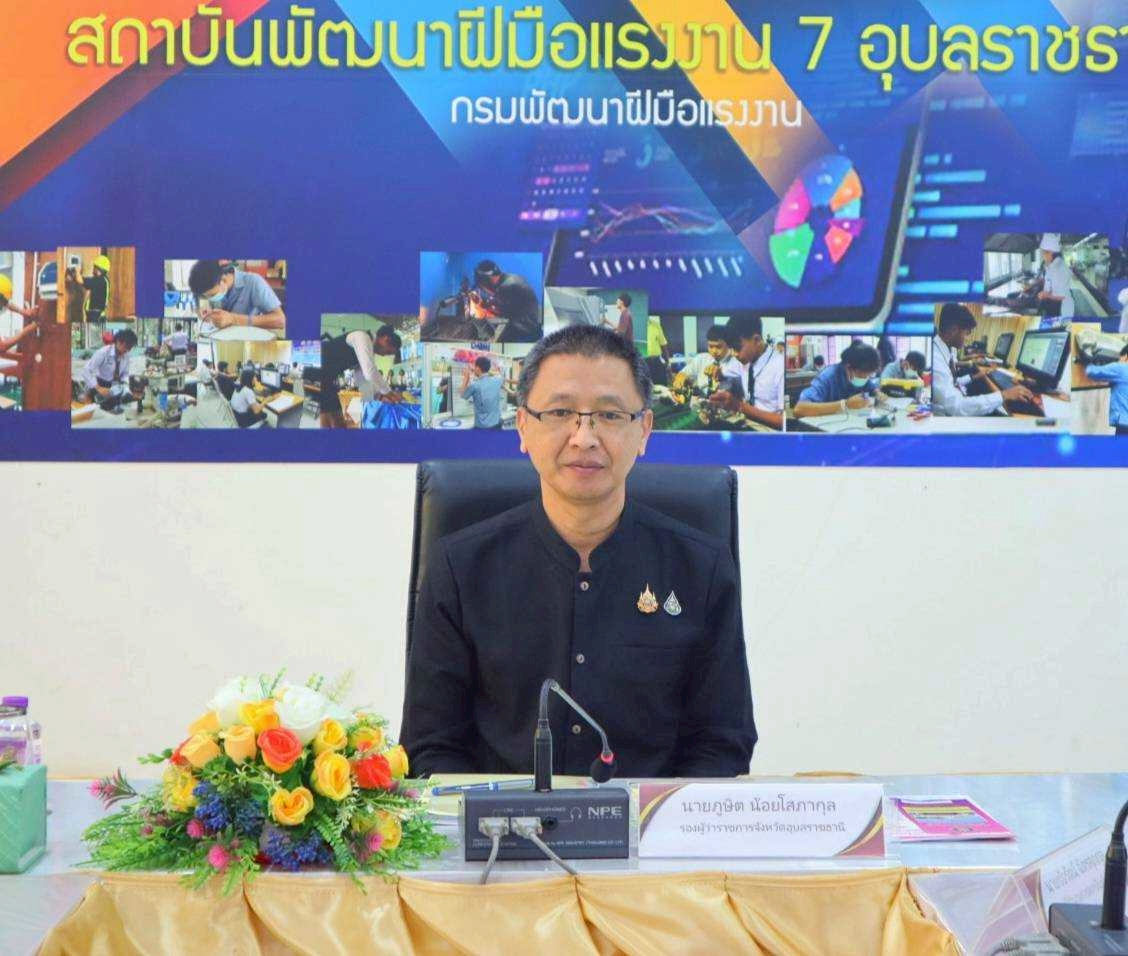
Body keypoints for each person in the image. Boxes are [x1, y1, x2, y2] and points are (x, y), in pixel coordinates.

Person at [402, 325, 756, 778]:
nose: (584, 437)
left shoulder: (701, 570)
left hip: (649, 821)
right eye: (560, 412)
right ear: (523, 427)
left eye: (609, 415)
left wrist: (654, 817)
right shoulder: (459, 568)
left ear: (644, 430)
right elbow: (430, 747)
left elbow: (722, 744)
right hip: (498, 821)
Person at [932, 304, 1034, 416]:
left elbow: (953, 382)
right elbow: (958, 407)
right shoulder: (935, 360)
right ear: (953, 330)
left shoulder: (946, 349)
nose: (968, 338)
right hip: (949, 416)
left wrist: (975, 376)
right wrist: (1004, 395)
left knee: (983, 388)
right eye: (967, 333)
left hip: (955, 402)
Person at [318, 324, 403, 429]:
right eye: (388, 352)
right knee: (327, 416)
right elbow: (370, 372)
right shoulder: (362, 337)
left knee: (338, 418)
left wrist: (380, 397)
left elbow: (361, 380)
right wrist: (389, 393)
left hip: (330, 376)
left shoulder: (367, 350)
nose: (384, 355)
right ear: (385, 339)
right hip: (320, 369)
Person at [707, 315, 785, 429]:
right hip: (748, 424)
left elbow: (784, 422)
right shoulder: (743, 360)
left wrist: (739, 406)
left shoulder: (779, 367)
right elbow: (722, 372)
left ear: (756, 340)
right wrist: (716, 371)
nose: (734, 354)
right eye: (731, 348)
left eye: (737, 348)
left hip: (771, 431)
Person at [188, 261, 286, 333]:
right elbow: (199, 298)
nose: (211, 299)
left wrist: (233, 319)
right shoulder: (210, 284)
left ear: (223, 280)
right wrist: (201, 309)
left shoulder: (254, 282)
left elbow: (280, 321)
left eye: (212, 295)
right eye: (207, 297)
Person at [792, 341, 882, 419]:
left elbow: (872, 388)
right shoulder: (828, 376)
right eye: (861, 375)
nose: (864, 379)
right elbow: (799, 409)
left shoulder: (861, 374)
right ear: (848, 367)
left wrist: (878, 393)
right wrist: (845, 404)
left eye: (868, 375)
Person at [472, 259, 542, 342]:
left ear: (487, 281)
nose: (485, 290)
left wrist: (482, 306)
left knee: (482, 324)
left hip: (527, 329)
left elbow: (503, 314)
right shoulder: (510, 278)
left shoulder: (506, 287)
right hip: (533, 322)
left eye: (483, 287)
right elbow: (508, 304)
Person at [674, 325, 742, 392]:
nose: (714, 351)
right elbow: (683, 374)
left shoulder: (737, 362)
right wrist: (681, 379)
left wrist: (722, 375)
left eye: (718, 347)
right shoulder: (701, 359)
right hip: (700, 398)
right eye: (711, 346)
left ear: (728, 345)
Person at [1079, 344, 1128, 435]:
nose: (1118, 361)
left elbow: (1091, 372)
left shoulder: (1120, 368)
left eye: (1119, 358)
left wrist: (1087, 361)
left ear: (1125, 356)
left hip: (1125, 424)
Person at [80, 328, 137, 404]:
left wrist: (125, 385)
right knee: (97, 406)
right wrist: (98, 388)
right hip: (100, 384)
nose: (128, 350)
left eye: (130, 348)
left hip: (114, 386)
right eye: (127, 346)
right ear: (118, 341)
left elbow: (125, 373)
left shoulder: (126, 355)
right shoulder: (103, 353)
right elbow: (86, 371)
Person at [1034, 234, 1075, 320]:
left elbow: (1061, 296)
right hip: (1055, 305)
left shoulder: (1059, 268)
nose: (1043, 256)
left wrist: (1045, 295)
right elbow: (1049, 281)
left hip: (1062, 308)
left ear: (1050, 252)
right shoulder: (1053, 265)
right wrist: (1039, 283)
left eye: (1043, 253)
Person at [460, 356, 504, 429]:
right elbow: (499, 376)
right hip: (497, 424)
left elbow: (462, 395)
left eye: (474, 367)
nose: (473, 369)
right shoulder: (498, 380)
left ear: (477, 368)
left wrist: (466, 378)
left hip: (483, 426)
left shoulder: (475, 385)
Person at [67, 255, 111, 323]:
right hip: (95, 315)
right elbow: (86, 284)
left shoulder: (99, 281)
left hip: (96, 316)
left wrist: (77, 270)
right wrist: (73, 276)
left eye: (94, 267)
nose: (93, 269)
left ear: (99, 268)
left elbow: (80, 280)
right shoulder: (102, 280)